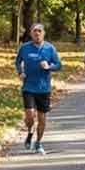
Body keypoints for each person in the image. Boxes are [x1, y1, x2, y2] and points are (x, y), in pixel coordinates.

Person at [14, 23, 61, 154]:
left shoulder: (50, 48)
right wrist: (20, 72)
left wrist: (49, 66)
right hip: (28, 86)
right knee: (29, 115)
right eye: (34, 31)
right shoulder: (25, 48)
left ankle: (38, 142)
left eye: (39, 31)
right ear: (31, 33)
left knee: (42, 118)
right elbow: (18, 62)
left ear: (43, 33)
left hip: (44, 88)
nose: (37, 33)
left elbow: (58, 65)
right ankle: (30, 131)